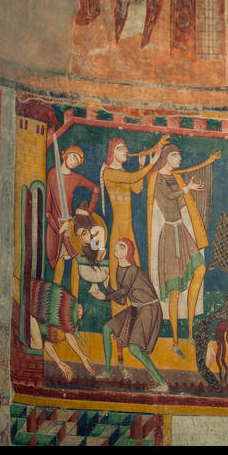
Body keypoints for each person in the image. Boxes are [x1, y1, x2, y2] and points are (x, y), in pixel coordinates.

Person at [145, 145, 209, 357]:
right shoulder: (156, 178)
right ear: (166, 157)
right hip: (169, 235)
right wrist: (186, 190)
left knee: (200, 270)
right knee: (174, 291)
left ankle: (190, 331)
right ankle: (175, 341)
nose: (179, 157)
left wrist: (190, 195)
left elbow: (180, 201)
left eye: (179, 154)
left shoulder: (176, 178)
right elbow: (168, 197)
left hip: (181, 230)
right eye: (175, 154)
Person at [90, 238, 169, 393]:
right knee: (106, 329)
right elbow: (121, 299)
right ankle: (107, 372)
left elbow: (123, 291)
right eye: (114, 248)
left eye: (118, 248)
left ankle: (162, 383)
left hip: (149, 308)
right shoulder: (119, 270)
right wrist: (106, 286)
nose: (114, 250)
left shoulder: (133, 269)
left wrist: (103, 296)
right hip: (136, 307)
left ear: (126, 251)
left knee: (134, 348)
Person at [99, 134, 168, 299]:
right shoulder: (109, 172)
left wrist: (140, 165)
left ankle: (133, 298)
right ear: (112, 153)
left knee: (133, 263)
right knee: (119, 264)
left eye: (125, 148)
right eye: (121, 148)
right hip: (119, 226)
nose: (126, 151)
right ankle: (118, 300)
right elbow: (131, 178)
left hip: (127, 225)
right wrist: (151, 163)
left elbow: (136, 188)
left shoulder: (122, 171)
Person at [46, 144, 99, 286]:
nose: (74, 161)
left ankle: (74, 298)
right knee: (59, 263)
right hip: (55, 227)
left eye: (78, 160)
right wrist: (58, 228)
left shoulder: (76, 178)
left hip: (70, 225)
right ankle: (56, 297)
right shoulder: (52, 174)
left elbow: (96, 189)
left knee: (76, 260)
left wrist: (88, 212)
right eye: (73, 156)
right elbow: (47, 211)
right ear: (66, 154)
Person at [27, 277, 97, 382]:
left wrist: (59, 362)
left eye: (80, 314)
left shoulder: (57, 327)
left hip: (30, 314)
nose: (79, 311)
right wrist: (82, 356)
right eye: (80, 310)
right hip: (28, 304)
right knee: (37, 345)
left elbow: (45, 340)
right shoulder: (68, 307)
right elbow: (69, 333)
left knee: (38, 345)